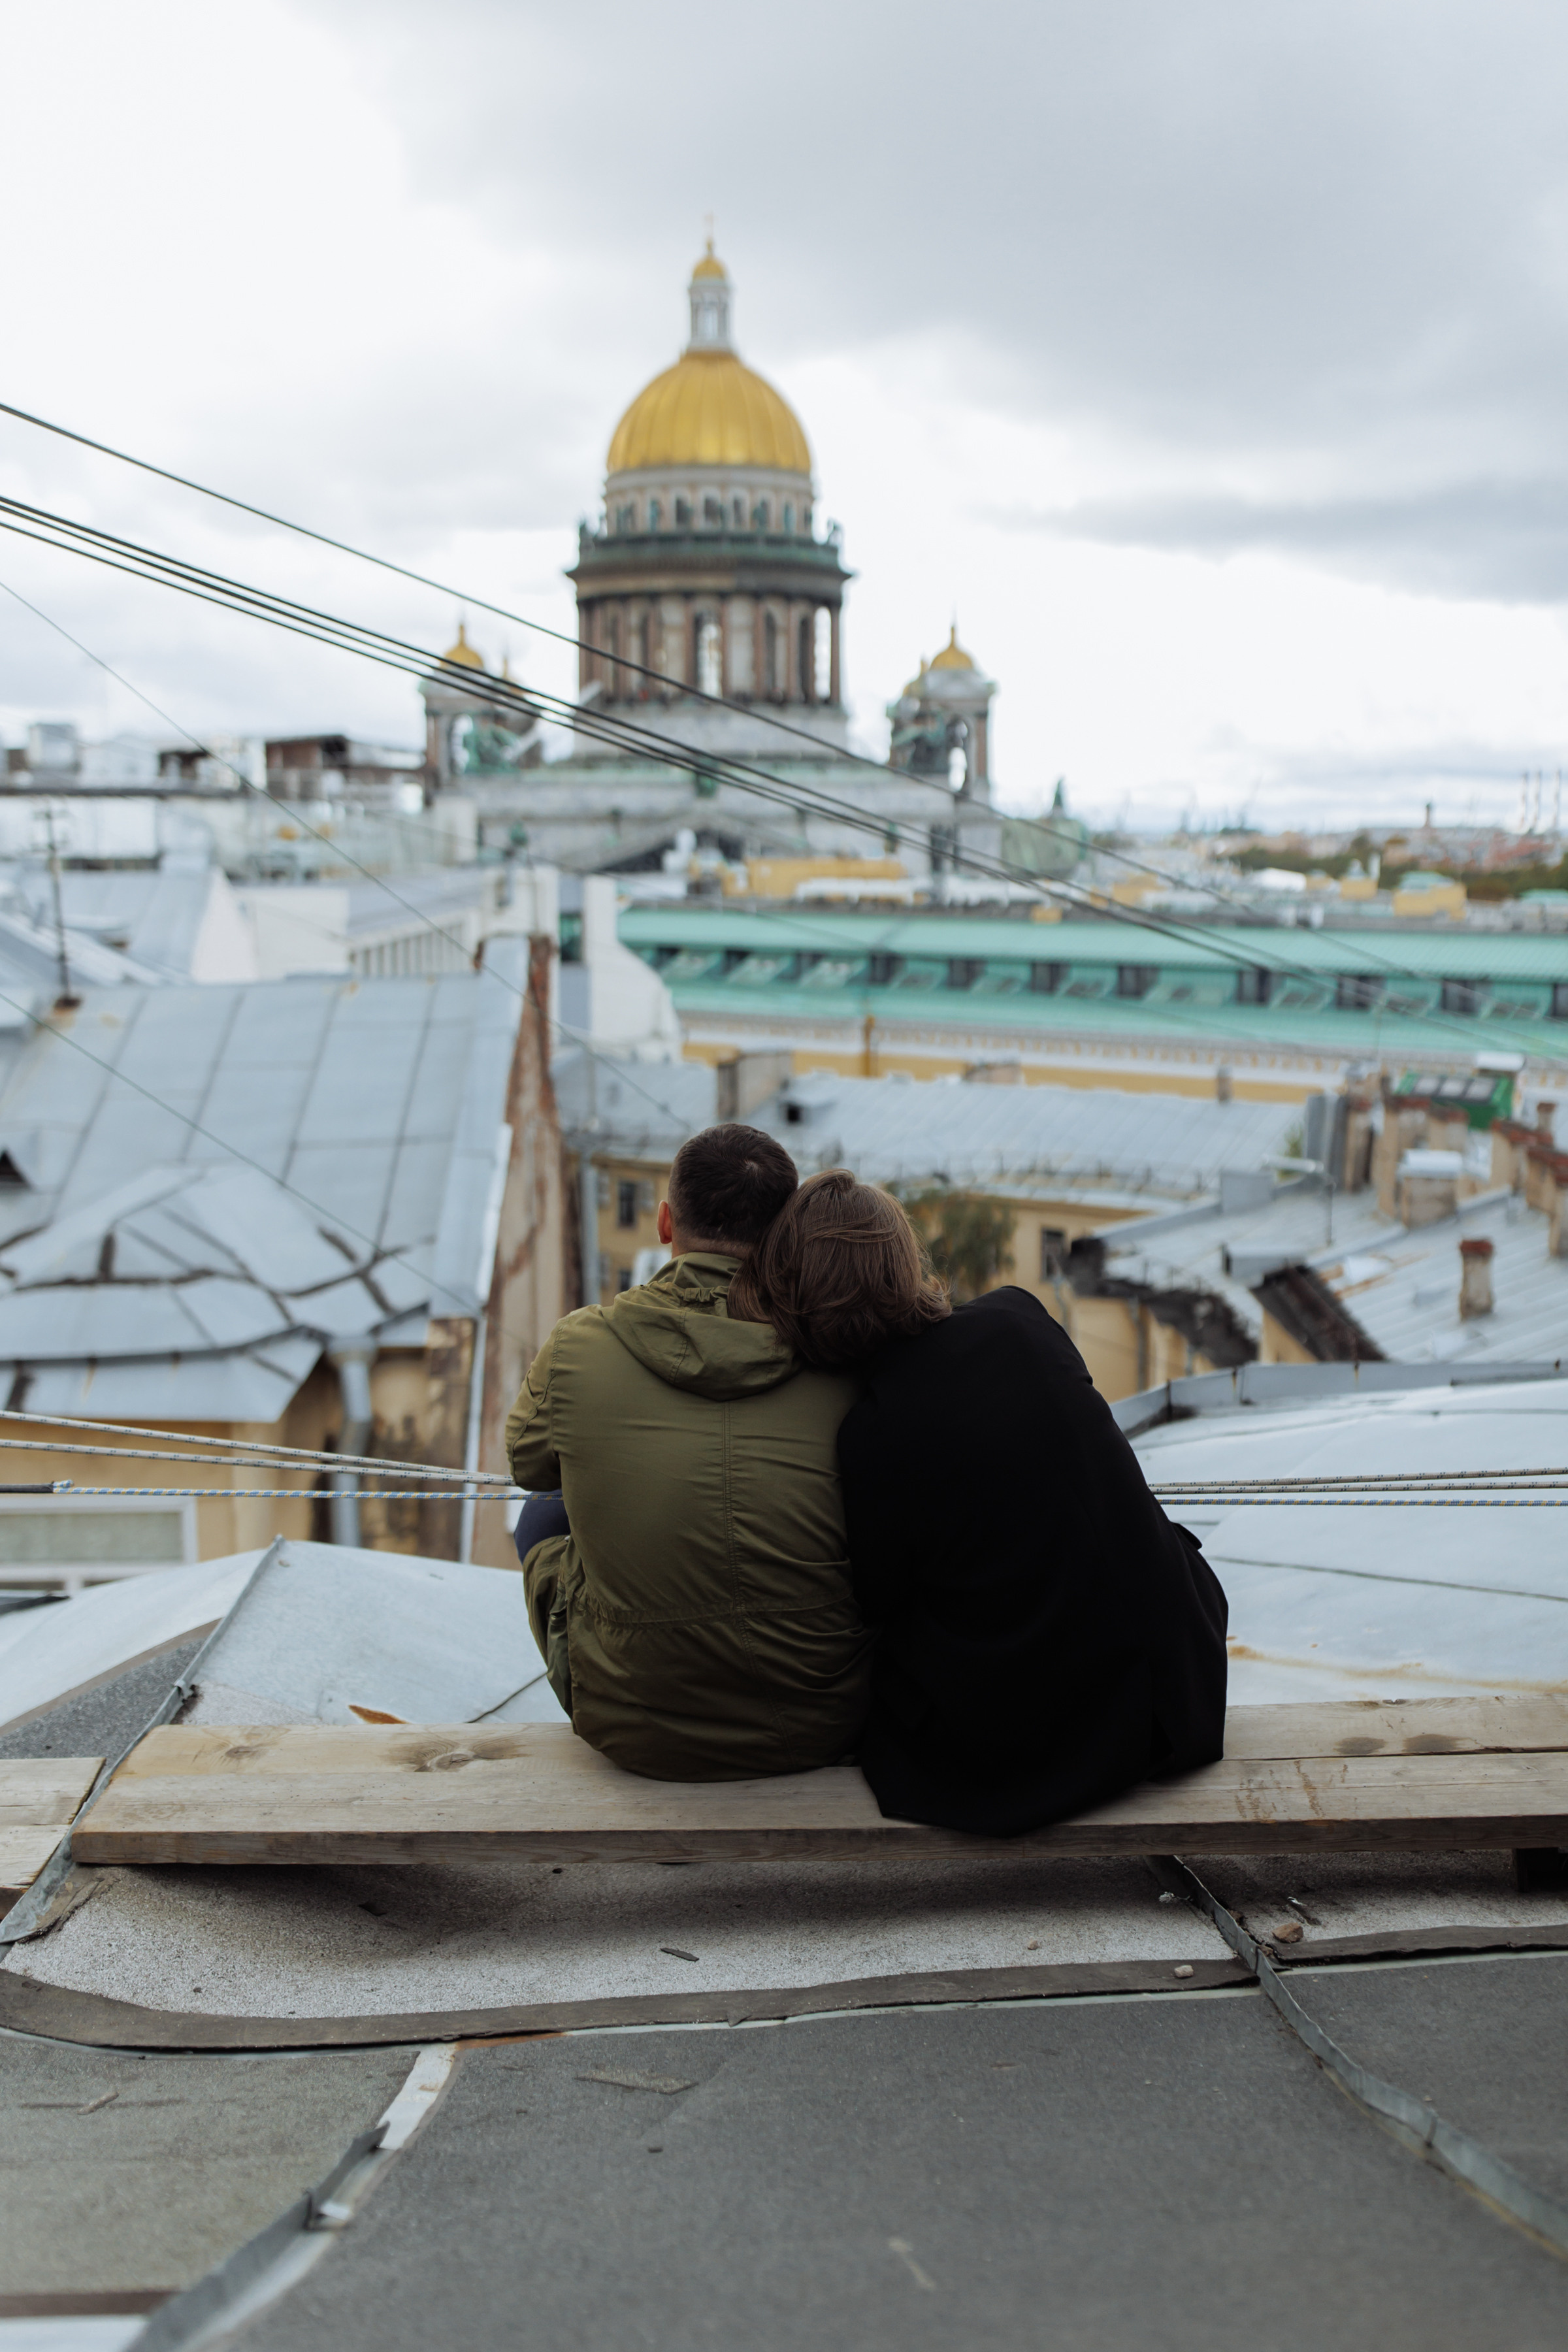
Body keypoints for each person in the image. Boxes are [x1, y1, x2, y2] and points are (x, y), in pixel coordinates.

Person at [732, 1169, 1229, 1835]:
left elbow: (879, 1603)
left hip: (1037, 1758)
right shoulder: (1019, 1319)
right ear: (902, 1261)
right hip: (1172, 1700)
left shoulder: (870, 1433)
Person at [505, 1123, 874, 1781]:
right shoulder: (838, 1346)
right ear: (788, 1233)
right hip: (823, 1723)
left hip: (633, 1729)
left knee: (542, 1512)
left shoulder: (579, 1344)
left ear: (666, 1222)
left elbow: (529, 1466)